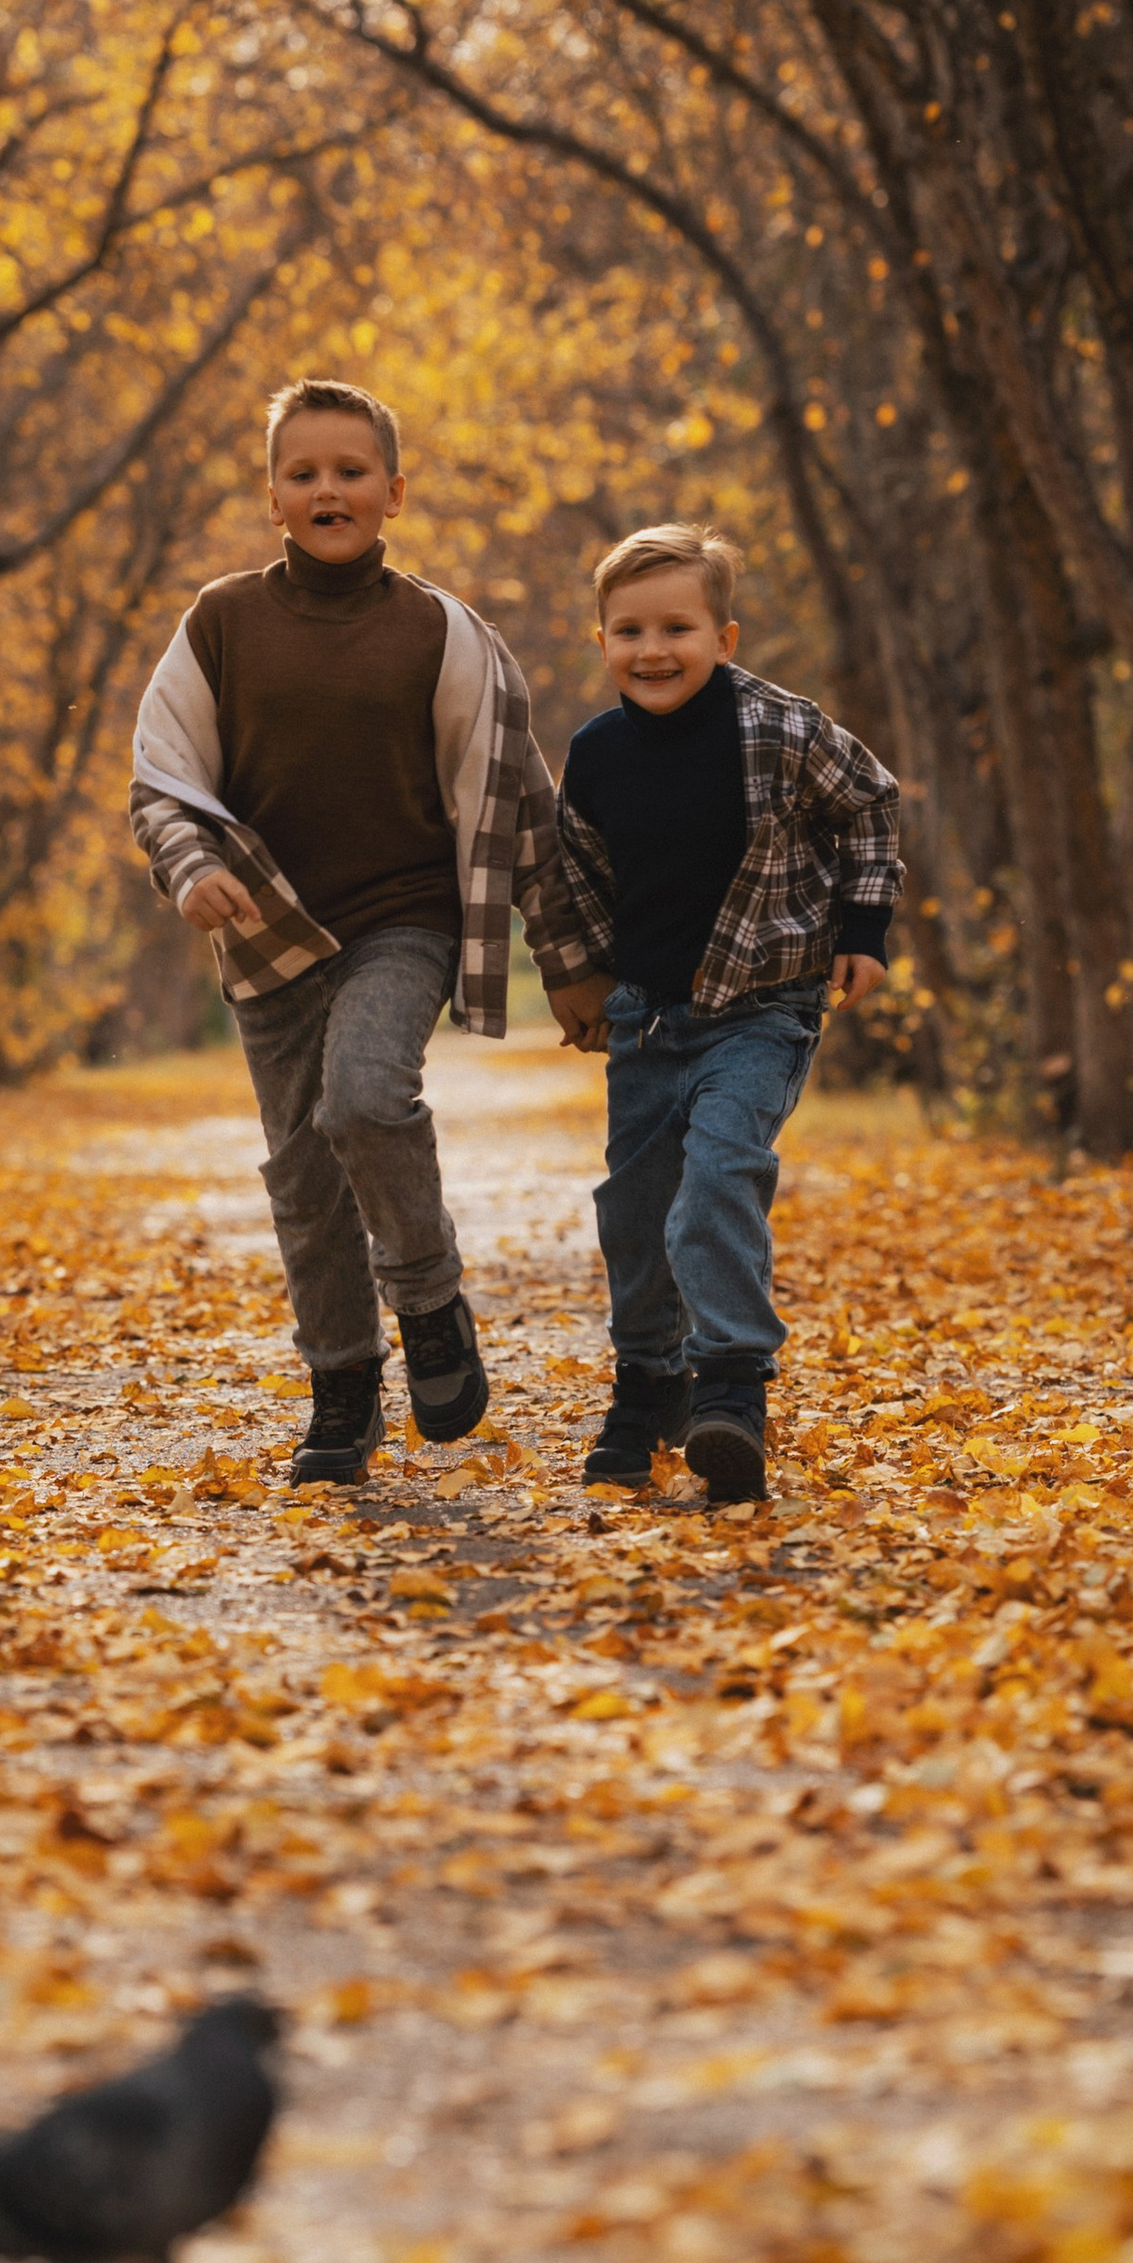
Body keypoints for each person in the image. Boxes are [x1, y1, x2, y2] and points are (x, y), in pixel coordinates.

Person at [129, 379, 609, 1484]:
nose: (327, 489)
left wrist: (570, 961)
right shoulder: (221, 622)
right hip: (267, 930)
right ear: (273, 498)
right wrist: (190, 867)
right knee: (301, 1177)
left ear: (392, 493)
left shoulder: (442, 633)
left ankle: (429, 1297)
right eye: (303, 473)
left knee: (363, 1095)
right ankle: (342, 1393)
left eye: (350, 471)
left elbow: (518, 801)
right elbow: (161, 776)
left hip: (404, 917)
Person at [556, 524, 901, 1508]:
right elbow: (577, 872)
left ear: (726, 635)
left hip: (765, 1007)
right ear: (601, 642)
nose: (652, 650)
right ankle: (647, 1383)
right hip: (648, 1021)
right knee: (631, 1212)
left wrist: (864, 928)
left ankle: (731, 1391)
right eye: (628, 630)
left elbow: (868, 806)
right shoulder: (596, 755)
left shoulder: (781, 731)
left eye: (678, 627)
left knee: (716, 1181)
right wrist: (583, 976)